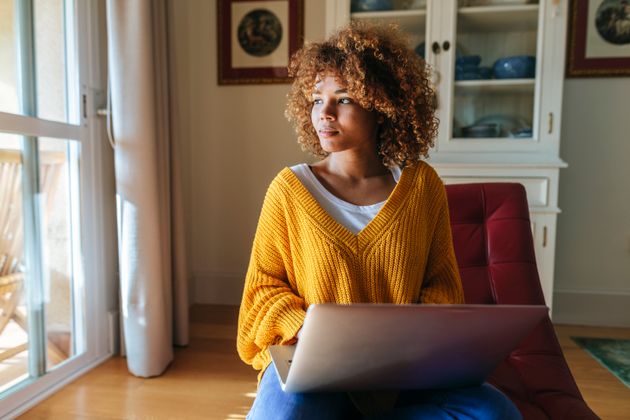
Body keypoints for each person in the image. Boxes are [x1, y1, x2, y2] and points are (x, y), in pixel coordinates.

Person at [237, 22, 522, 420]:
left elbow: (441, 285)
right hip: (312, 368)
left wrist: (410, 340)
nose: (326, 113)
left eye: (344, 98)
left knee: (494, 413)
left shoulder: (422, 187)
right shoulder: (289, 190)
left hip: (405, 373)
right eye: (317, 100)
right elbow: (262, 292)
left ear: (383, 105)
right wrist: (308, 332)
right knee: (288, 414)